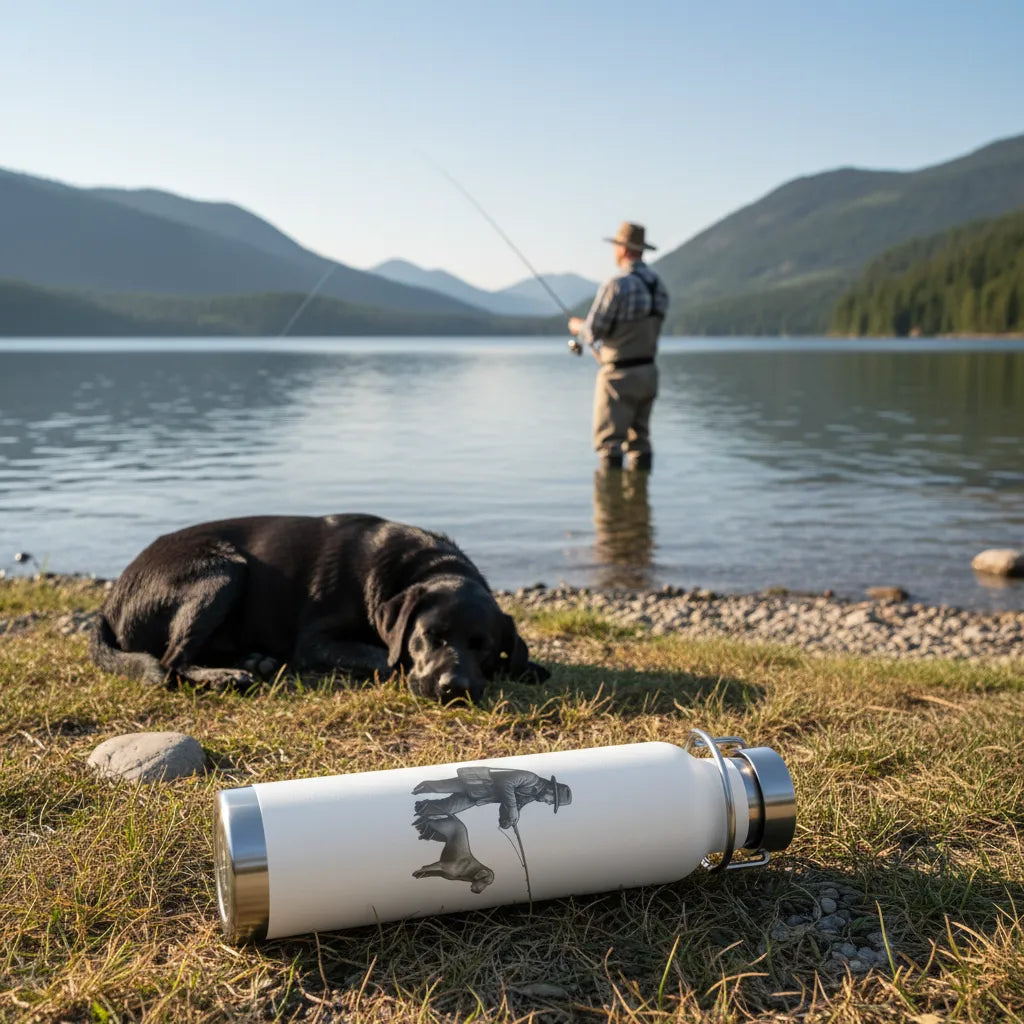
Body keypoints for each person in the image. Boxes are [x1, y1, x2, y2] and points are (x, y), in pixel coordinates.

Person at [569, 222, 669, 472]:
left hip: (618, 377)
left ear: (623, 249)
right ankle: (639, 503)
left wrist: (577, 327)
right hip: (648, 373)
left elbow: (593, 331)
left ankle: (610, 506)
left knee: (610, 445)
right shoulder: (659, 286)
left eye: (616, 247)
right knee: (641, 441)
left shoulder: (617, 285)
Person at [412, 766, 572, 830]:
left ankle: (416, 808)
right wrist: (513, 808)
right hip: (473, 783)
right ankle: (410, 792)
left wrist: (507, 820)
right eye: (552, 800)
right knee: (437, 787)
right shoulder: (530, 778)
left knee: (447, 809)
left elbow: (510, 805)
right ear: (552, 789)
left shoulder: (531, 796)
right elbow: (506, 784)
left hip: (477, 797)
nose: (548, 802)